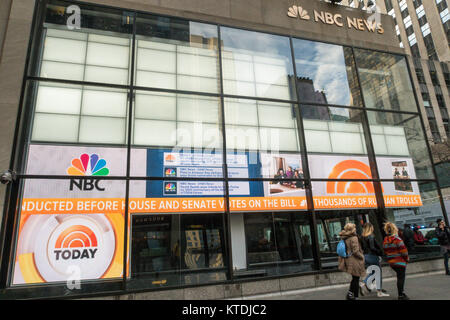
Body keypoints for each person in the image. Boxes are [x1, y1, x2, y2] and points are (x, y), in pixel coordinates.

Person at [360, 223, 389, 297]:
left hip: (366, 256)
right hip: (373, 256)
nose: (373, 228)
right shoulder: (371, 236)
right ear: (370, 228)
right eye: (372, 227)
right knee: (378, 273)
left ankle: (364, 283)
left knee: (373, 273)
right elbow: (372, 248)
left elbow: (363, 248)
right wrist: (380, 252)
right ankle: (379, 292)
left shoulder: (362, 237)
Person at [338, 223, 366, 300]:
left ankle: (350, 294)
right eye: (355, 227)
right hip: (355, 260)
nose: (356, 229)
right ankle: (355, 296)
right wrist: (362, 256)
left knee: (354, 278)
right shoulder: (354, 238)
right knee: (356, 278)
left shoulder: (345, 237)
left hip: (348, 259)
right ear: (353, 229)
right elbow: (356, 251)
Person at [383, 222, 410, 300]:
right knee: (401, 277)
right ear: (395, 229)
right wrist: (406, 259)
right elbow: (404, 252)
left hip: (392, 262)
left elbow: (385, 250)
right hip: (400, 261)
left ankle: (401, 293)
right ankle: (401, 294)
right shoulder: (398, 240)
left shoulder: (385, 240)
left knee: (399, 277)